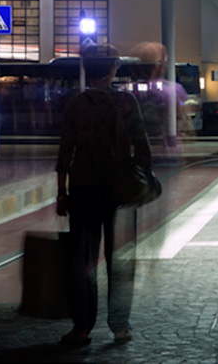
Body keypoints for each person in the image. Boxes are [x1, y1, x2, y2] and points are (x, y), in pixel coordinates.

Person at [56, 50, 153, 348]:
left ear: (87, 69)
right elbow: (142, 145)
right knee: (121, 260)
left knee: (83, 259)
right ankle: (120, 326)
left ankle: (82, 328)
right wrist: (143, 180)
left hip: (83, 190)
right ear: (112, 70)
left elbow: (65, 152)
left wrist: (62, 192)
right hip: (120, 190)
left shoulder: (76, 104)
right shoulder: (126, 102)